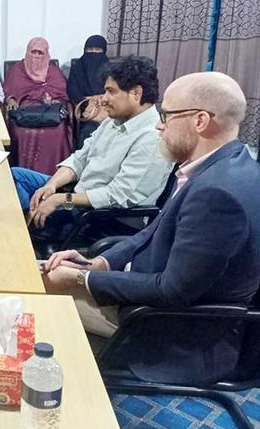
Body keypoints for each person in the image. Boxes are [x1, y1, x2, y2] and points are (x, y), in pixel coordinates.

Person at [42, 72, 260, 380]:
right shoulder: (219, 165)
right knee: (42, 277)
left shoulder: (218, 194)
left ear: (199, 121)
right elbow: (151, 232)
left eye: (166, 115)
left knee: (38, 296)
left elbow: (171, 292)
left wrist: (81, 278)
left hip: (169, 330)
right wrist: (98, 263)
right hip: (146, 295)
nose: (159, 125)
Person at [12, 55, 172, 237]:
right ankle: (29, 220)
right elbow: (79, 159)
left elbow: (116, 196)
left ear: (136, 93)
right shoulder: (112, 123)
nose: (103, 99)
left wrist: (61, 200)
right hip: (77, 194)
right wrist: (52, 185)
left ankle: (30, 229)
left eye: (111, 92)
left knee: (13, 217)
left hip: (101, 217)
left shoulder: (151, 137)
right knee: (14, 177)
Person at [3, 37, 72, 174]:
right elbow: (8, 90)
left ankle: (54, 176)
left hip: (49, 112)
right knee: (20, 132)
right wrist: (11, 99)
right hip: (24, 112)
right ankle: (23, 175)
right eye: (33, 52)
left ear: (46, 54)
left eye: (40, 53)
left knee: (59, 132)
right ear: (27, 52)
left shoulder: (53, 71)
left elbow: (63, 95)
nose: (36, 56)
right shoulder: (17, 70)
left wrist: (56, 101)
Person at [67, 35, 109, 146]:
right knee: (88, 132)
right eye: (90, 50)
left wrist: (103, 100)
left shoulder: (112, 68)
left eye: (97, 50)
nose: (93, 53)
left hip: (109, 108)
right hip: (86, 110)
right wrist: (87, 102)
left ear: (104, 51)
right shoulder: (78, 67)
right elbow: (72, 90)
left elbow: (117, 91)